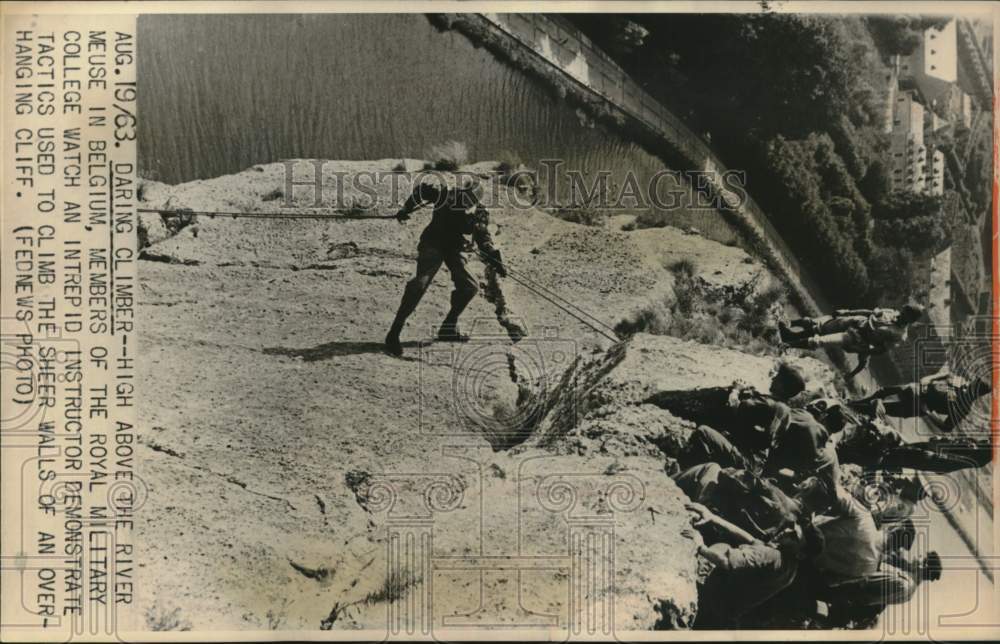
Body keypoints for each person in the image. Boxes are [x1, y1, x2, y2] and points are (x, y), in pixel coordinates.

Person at [385, 175, 506, 356]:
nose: (464, 203)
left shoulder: (480, 213)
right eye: (464, 198)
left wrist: (494, 258)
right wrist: (407, 208)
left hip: (454, 248)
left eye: (469, 202)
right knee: (419, 284)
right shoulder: (446, 195)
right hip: (433, 244)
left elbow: (483, 237)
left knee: (470, 287)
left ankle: (449, 328)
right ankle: (393, 334)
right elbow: (421, 190)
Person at [693, 512, 825, 628]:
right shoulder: (790, 567)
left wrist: (700, 546)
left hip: (709, 602)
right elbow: (751, 540)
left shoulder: (773, 556)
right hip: (723, 615)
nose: (786, 532)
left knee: (722, 547)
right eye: (791, 527)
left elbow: (725, 561)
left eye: (794, 536)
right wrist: (713, 518)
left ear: (800, 554)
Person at [779, 305, 924, 378]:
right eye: (904, 311)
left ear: (910, 320)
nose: (902, 314)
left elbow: (881, 350)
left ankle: (787, 345)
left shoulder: (900, 335)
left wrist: (861, 350)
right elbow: (869, 312)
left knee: (820, 341)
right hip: (855, 321)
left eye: (906, 315)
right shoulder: (893, 312)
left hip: (858, 338)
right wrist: (847, 312)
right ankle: (788, 331)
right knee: (818, 325)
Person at [850, 366, 992, 431]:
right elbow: (945, 373)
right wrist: (928, 379)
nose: (969, 385)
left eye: (974, 388)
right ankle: (854, 404)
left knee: (884, 409)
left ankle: (853, 410)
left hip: (919, 406)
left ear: (977, 394)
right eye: (973, 383)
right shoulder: (960, 381)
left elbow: (947, 427)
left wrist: (929, 413)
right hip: (915, 389)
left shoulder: (964, 407)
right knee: (882, 392)